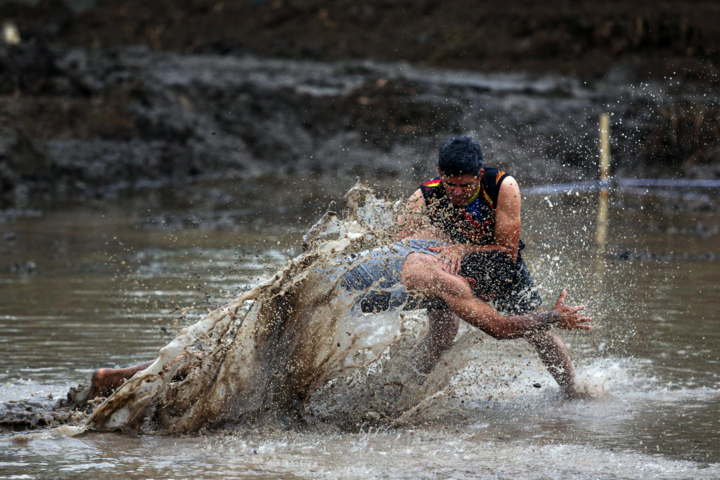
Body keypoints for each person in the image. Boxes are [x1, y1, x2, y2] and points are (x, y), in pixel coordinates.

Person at [343, 136, 589, 397]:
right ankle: (400, 393)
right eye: (451, 185)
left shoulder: (502, 186)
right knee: (443, 332)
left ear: (479, 174)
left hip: (500, 265)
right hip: (449, 268)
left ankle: (573, 392)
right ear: (440, 174)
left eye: (466, 185)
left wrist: (462, 248)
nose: (457, 192)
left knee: (540, 333)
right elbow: (398, 249)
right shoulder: (424, 196)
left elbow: (508, 250)